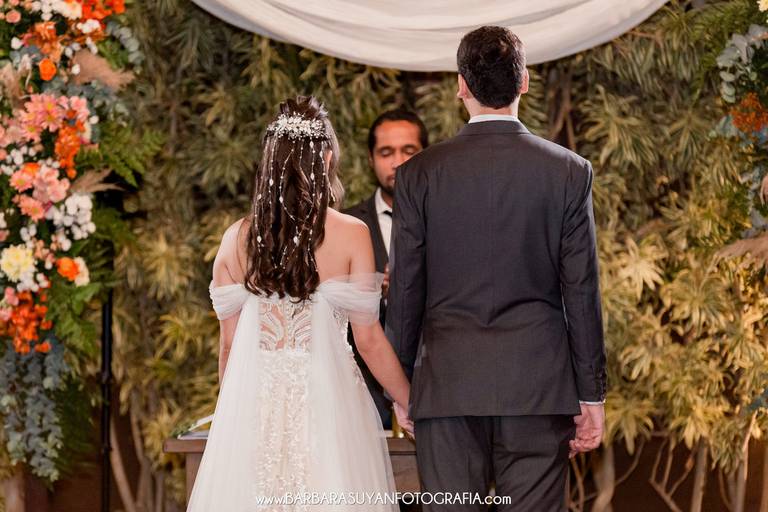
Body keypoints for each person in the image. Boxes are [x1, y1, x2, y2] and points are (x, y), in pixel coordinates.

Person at [386, 26, 607, 511]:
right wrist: (591, 395)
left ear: (461, 86)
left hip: (447, 386)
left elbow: (405, 291)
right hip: (538, 389)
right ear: (524, 82)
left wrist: (401, 388)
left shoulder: (419, 174)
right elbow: (581, 291)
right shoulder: (568, 171)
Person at [187, 96, 413, 511]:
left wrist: (231, 416)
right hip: (327, 405)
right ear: (326, 158)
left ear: (270, 162)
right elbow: (368, 340)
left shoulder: (235, 239)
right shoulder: (352, 233)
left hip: (255, 407)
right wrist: (408, 400)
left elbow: (229, 346)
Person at [343, 109, 429, 429]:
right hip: (363, 395)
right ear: (371, 159)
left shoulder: (450, 220)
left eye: (409, 150)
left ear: (426, 155)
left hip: (436, 387)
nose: (397, 162)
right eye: (386, 152)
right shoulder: (346, 224)